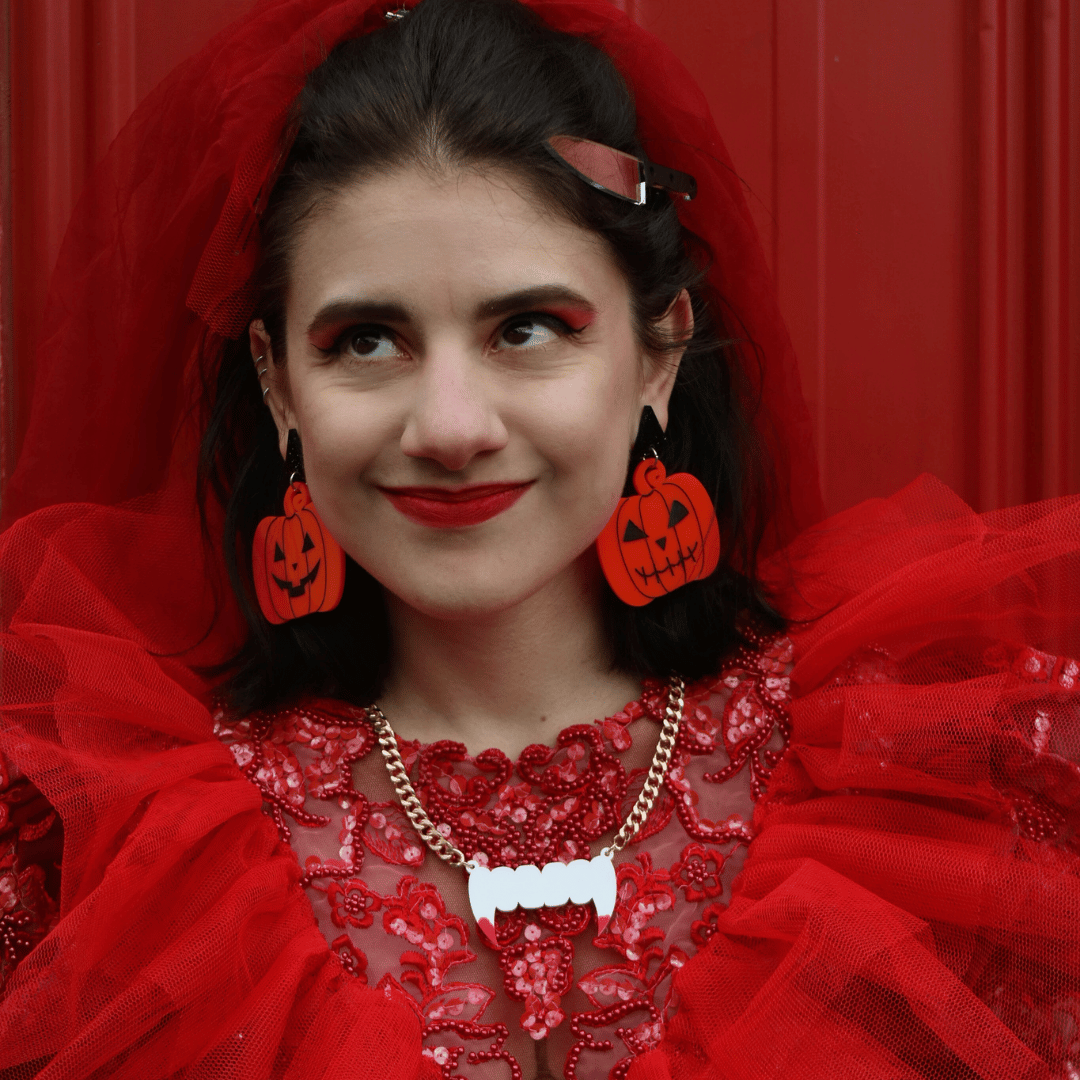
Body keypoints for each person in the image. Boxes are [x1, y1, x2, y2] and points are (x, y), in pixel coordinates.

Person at [1, 0, 1078, 1078]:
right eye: (366, 340)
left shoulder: (937, 784)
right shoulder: (112, 857)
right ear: (279, 384)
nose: (452, 428)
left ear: (660, 350)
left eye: (528, 329)